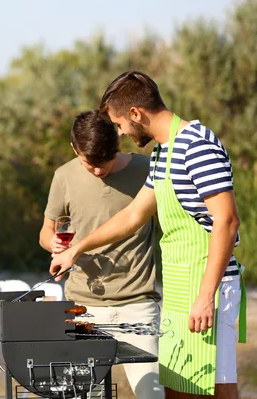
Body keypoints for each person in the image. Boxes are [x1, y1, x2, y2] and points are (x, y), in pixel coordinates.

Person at [50, 71, 246, 399]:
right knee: (178, 390)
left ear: (136, 115)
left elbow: (226, 221)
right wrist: (76, 248)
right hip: (181, 287)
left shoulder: (196, 145)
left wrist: (206, 296)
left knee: (214, 389)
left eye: (120, 124)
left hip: (208, 288)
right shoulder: (163, 152)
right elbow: (133, 214)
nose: (122, 133)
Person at [39, 110, 163, 398]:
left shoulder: (147, 169)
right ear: (74, 149)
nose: (98, 170)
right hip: (83, 307)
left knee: (152, 393)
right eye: (89, 163)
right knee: (87, 395)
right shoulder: (64, 176)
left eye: (104, 161)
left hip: (138, 305)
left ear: (118, 144)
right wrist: (53, 243)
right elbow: (45, 232)